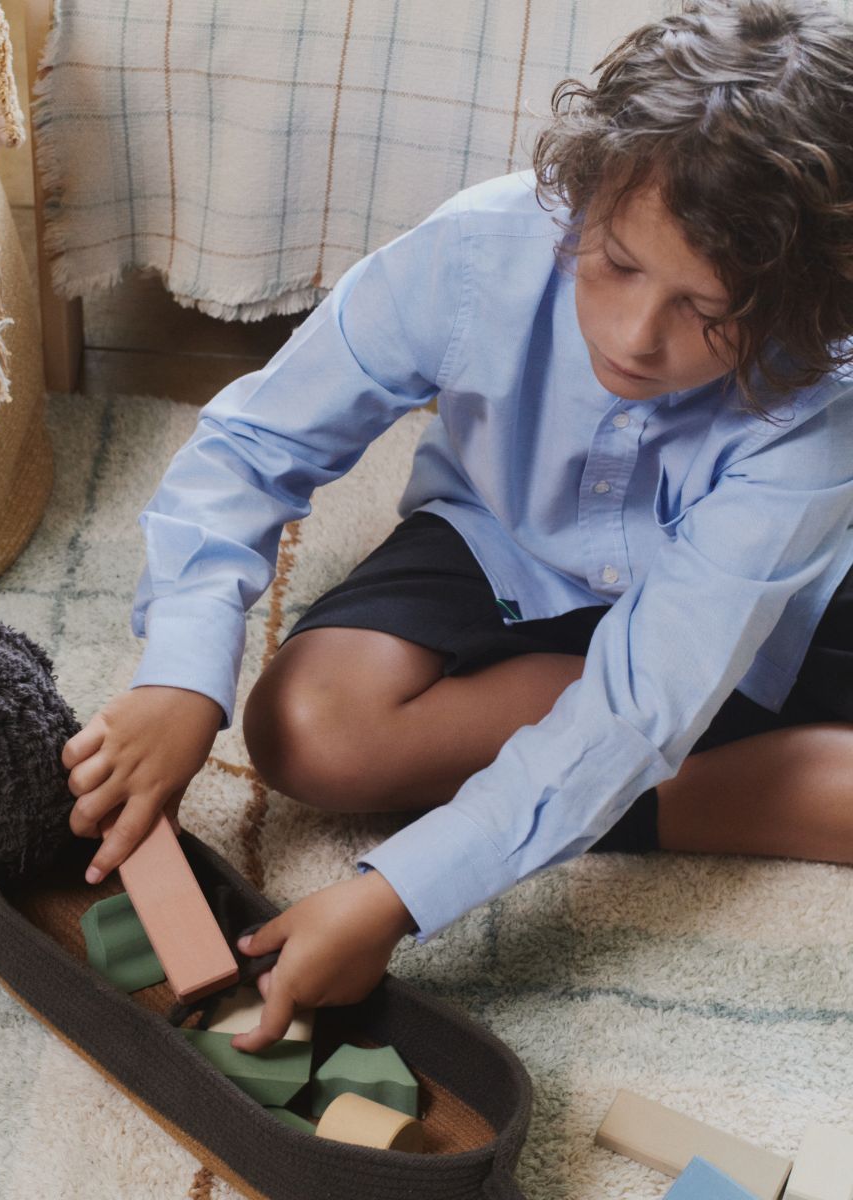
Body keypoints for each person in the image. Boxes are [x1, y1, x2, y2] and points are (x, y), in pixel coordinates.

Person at [61, 0, 853, 1052]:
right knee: (304, 729)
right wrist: (181, 674)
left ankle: (734, 785)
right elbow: (254, 446)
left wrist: (398, 891)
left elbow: (642, 700)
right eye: (617, 262)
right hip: (504, 540)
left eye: (707, 313)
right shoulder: (478, 252)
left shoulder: (816, 407)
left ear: (805, 307)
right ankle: (744, 775)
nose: (633, 335)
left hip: (758, 608)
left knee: (664, 723)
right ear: (585, 188)